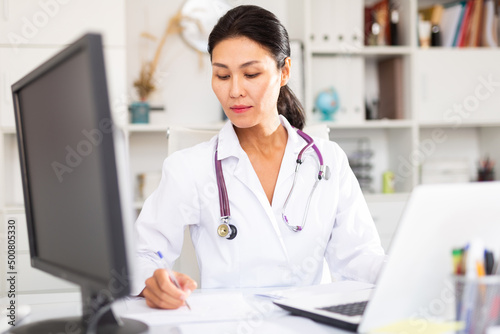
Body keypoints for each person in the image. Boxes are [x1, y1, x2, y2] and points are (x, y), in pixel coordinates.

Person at [133, 5, 386, 310]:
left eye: (251, 73)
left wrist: (401, 271)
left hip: (311, 325)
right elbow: (143, 254)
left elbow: (360, 256)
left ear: (285, 71)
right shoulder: (190, 168)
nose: (235, 90)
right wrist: (153, 280)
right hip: (226, 325)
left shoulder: (327, 160)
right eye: (222, 75)